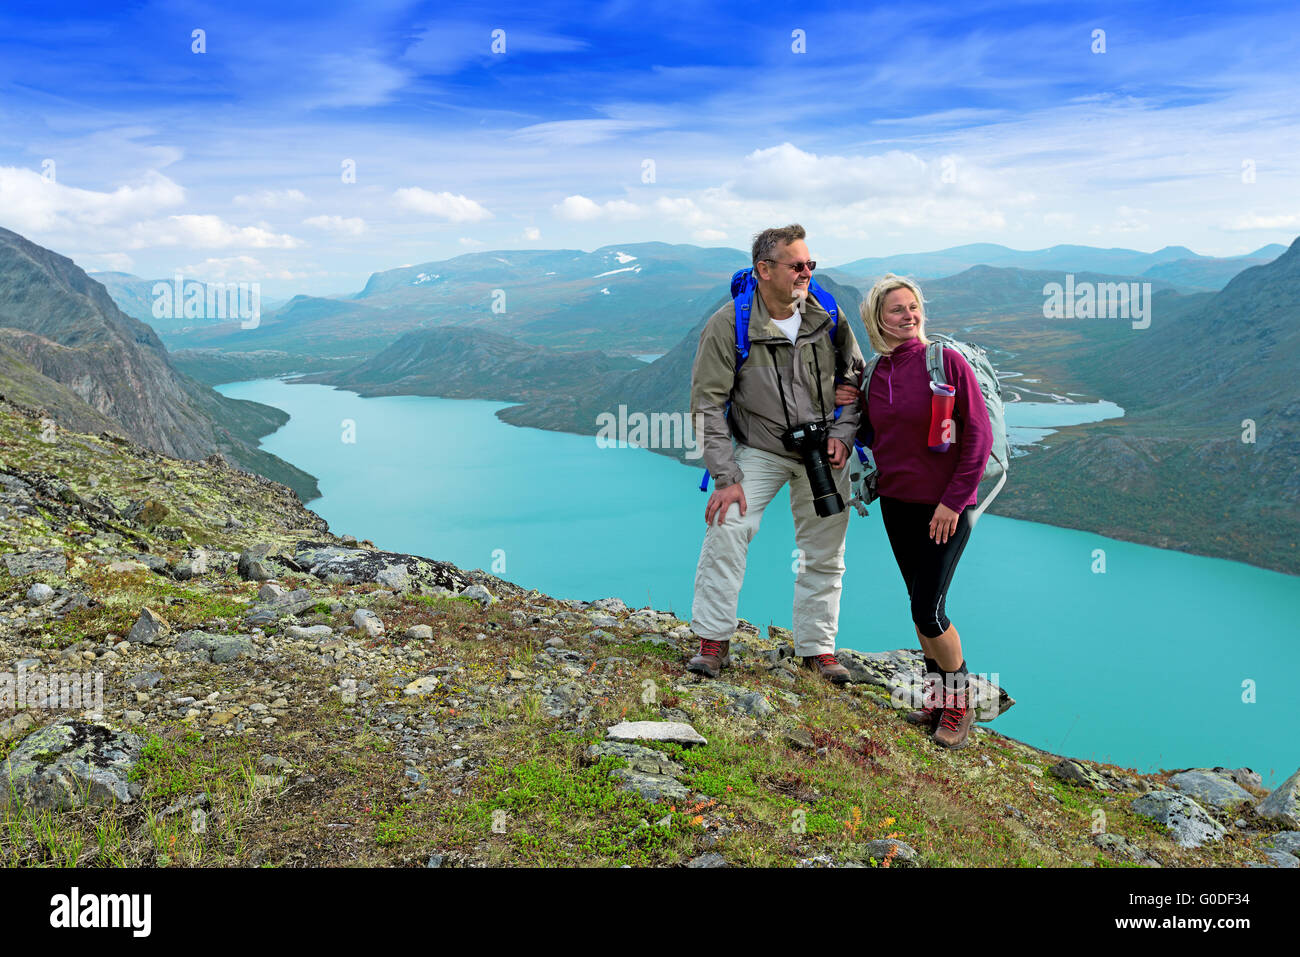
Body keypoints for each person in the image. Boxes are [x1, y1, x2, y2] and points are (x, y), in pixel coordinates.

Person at [687, 224, 864, 684]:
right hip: (762, 449)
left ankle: (817, 651)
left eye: (810, 265)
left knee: (825, 549)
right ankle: (713, 640)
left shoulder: (827, 313)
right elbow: (706, 402)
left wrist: (843, 434)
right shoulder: (730, 324)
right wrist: (725, 478)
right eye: (796, 265)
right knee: (727, 526)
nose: (806, 273)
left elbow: (855, 380)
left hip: (824, 449)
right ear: (763, 270)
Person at [834, 274, 992, 748]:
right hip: (898, 505)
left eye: (913, 307)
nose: (908, 316)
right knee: (918, 606)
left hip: (945, 507)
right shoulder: (877, 373)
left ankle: (961, 703)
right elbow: (876, 437)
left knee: (929, 609)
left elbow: (978, 438)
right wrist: (847, 406)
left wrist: (953, 501)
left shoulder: (947, 362)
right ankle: (939, 698)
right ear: (877, 320)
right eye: (896, 310)